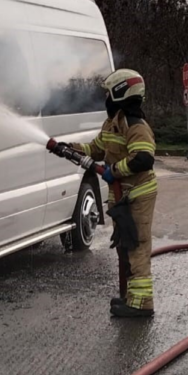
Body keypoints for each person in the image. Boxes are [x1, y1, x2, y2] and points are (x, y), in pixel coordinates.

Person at [50, 69, 158, 317]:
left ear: (121, 93)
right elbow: (96, 149)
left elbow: (143, 159)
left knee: (137, 245)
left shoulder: (136, 126)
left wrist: (114, 171)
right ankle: (131, 297)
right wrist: (68, 148)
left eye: (109, 93)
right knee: (124, 245)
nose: (106, 98)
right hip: (122, 196)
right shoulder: (113, 123)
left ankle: (142, 304)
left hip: (138, 194)